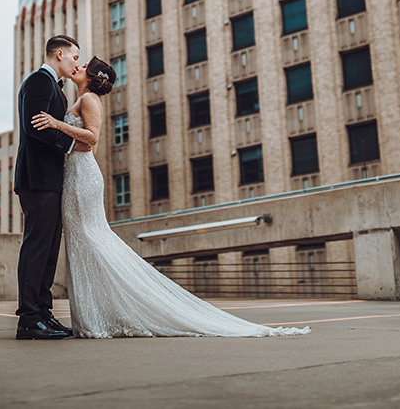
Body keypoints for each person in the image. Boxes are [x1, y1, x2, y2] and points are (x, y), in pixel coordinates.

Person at [32, 56, 310, 338]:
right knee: (84, 244)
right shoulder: (83, 97)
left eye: (83, 67)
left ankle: (108, 313)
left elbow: (92, 138)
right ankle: (96, 315)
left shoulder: (90, 99)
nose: (77, 67)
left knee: (92, 240)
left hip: (83, 179)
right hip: (75, 176)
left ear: (91, 78)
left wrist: (56, 123)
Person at [14, 35, 91, 340]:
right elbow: (34, 127)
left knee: (47, 251)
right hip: (37, 179)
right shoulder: (39, 81)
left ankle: (43, 314)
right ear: (60, 54)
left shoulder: (53, 87)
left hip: (50, 180)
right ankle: (29, 320)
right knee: (37, 248)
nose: (76, 63)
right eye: (75, 57)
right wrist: (71, 143)